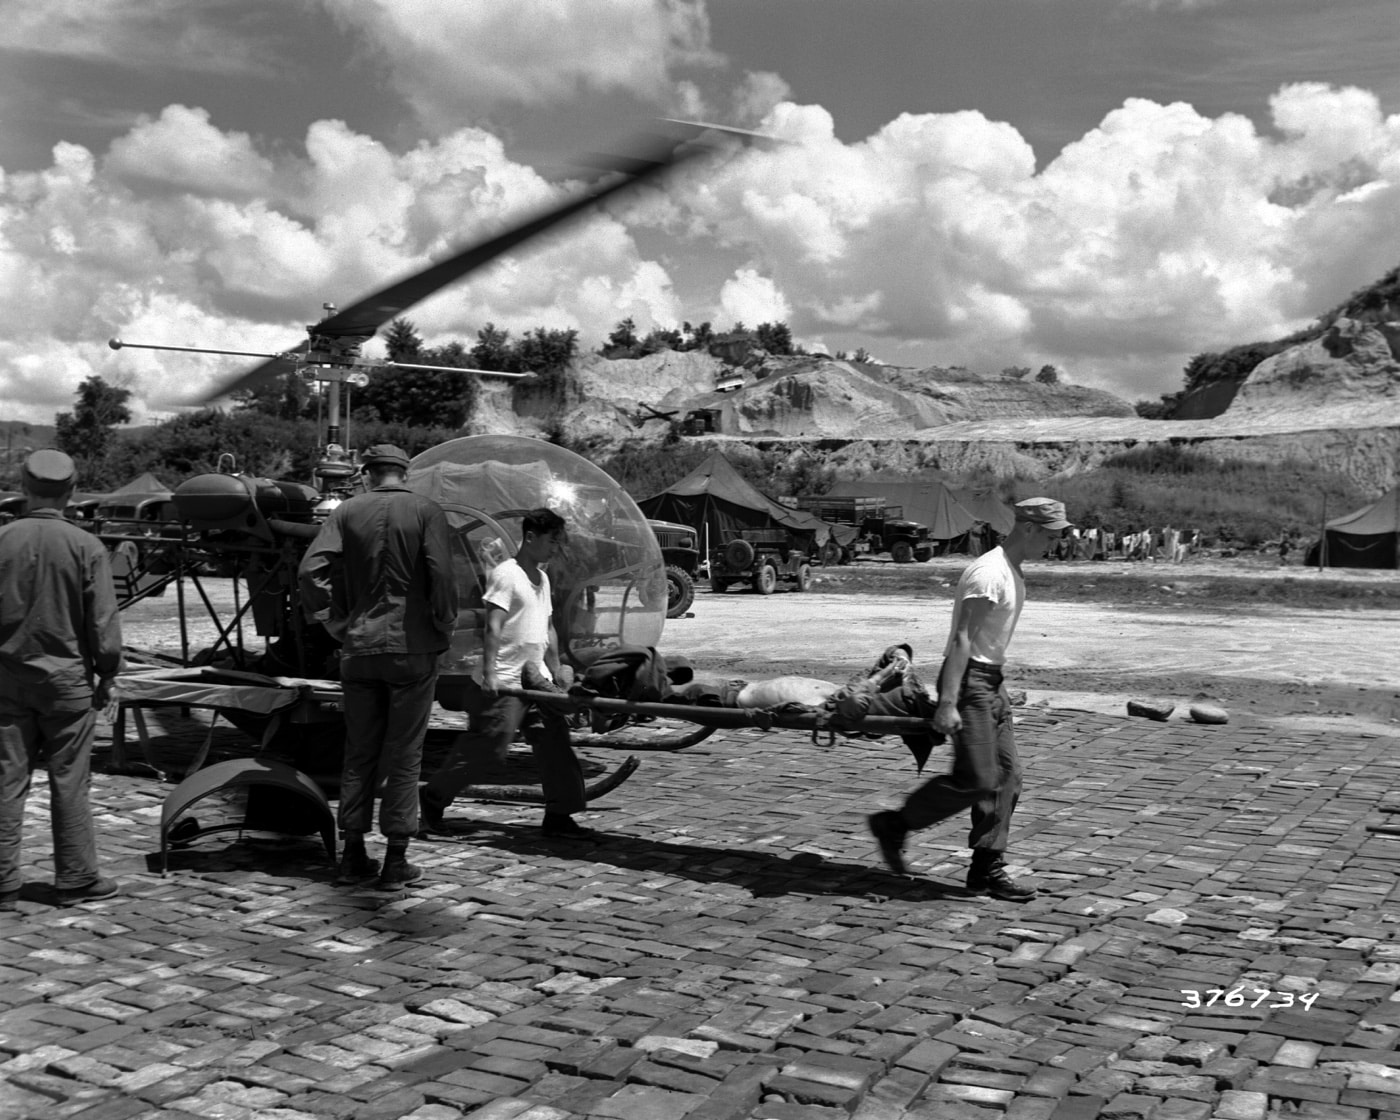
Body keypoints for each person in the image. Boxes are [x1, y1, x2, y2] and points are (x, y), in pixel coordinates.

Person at [867, 496, 1070, 902]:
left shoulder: (1012, 571)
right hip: (969, 682)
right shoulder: (989, 573)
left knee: (1008, 776)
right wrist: (947, 702)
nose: (1055, 544)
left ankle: (985, 870)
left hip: (992, 681)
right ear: (1029, 529)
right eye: (1050, 535)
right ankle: (895, 824)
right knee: (977, 779)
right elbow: (961, 638)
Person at [299, 444, 457, 891]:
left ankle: (351, 854)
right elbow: (442, 574)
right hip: (414, 648)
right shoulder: (426, 510)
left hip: (360, 646)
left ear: (367, 473)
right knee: (405, 756)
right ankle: (396, 861)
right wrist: (443, 622)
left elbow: (311, 571)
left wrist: (332, 621)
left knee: (359, 752)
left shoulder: (346, 512)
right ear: (405, 473)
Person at [0, 450, 123, 910]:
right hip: (68, 683)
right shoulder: (87, 546)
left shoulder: (2, 540)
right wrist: (108, 676)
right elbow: (103, 626)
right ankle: (75, 878)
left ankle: (3, 884)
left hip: (6, 682)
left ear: (24, 488)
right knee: (70, 781)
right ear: (72, 492)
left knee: (5, 782)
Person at [420, 507, 588, 838]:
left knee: (555, 746)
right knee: (489, 750)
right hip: (506, 681)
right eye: (552, 540)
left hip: (536, 681)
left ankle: (559, 815)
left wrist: (554, 672)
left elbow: (548, 627)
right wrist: (490, 673)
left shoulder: (542, 578)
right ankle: (433, 796)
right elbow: (493, 625)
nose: (556, 547)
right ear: (530, 537)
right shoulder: (506, 574)